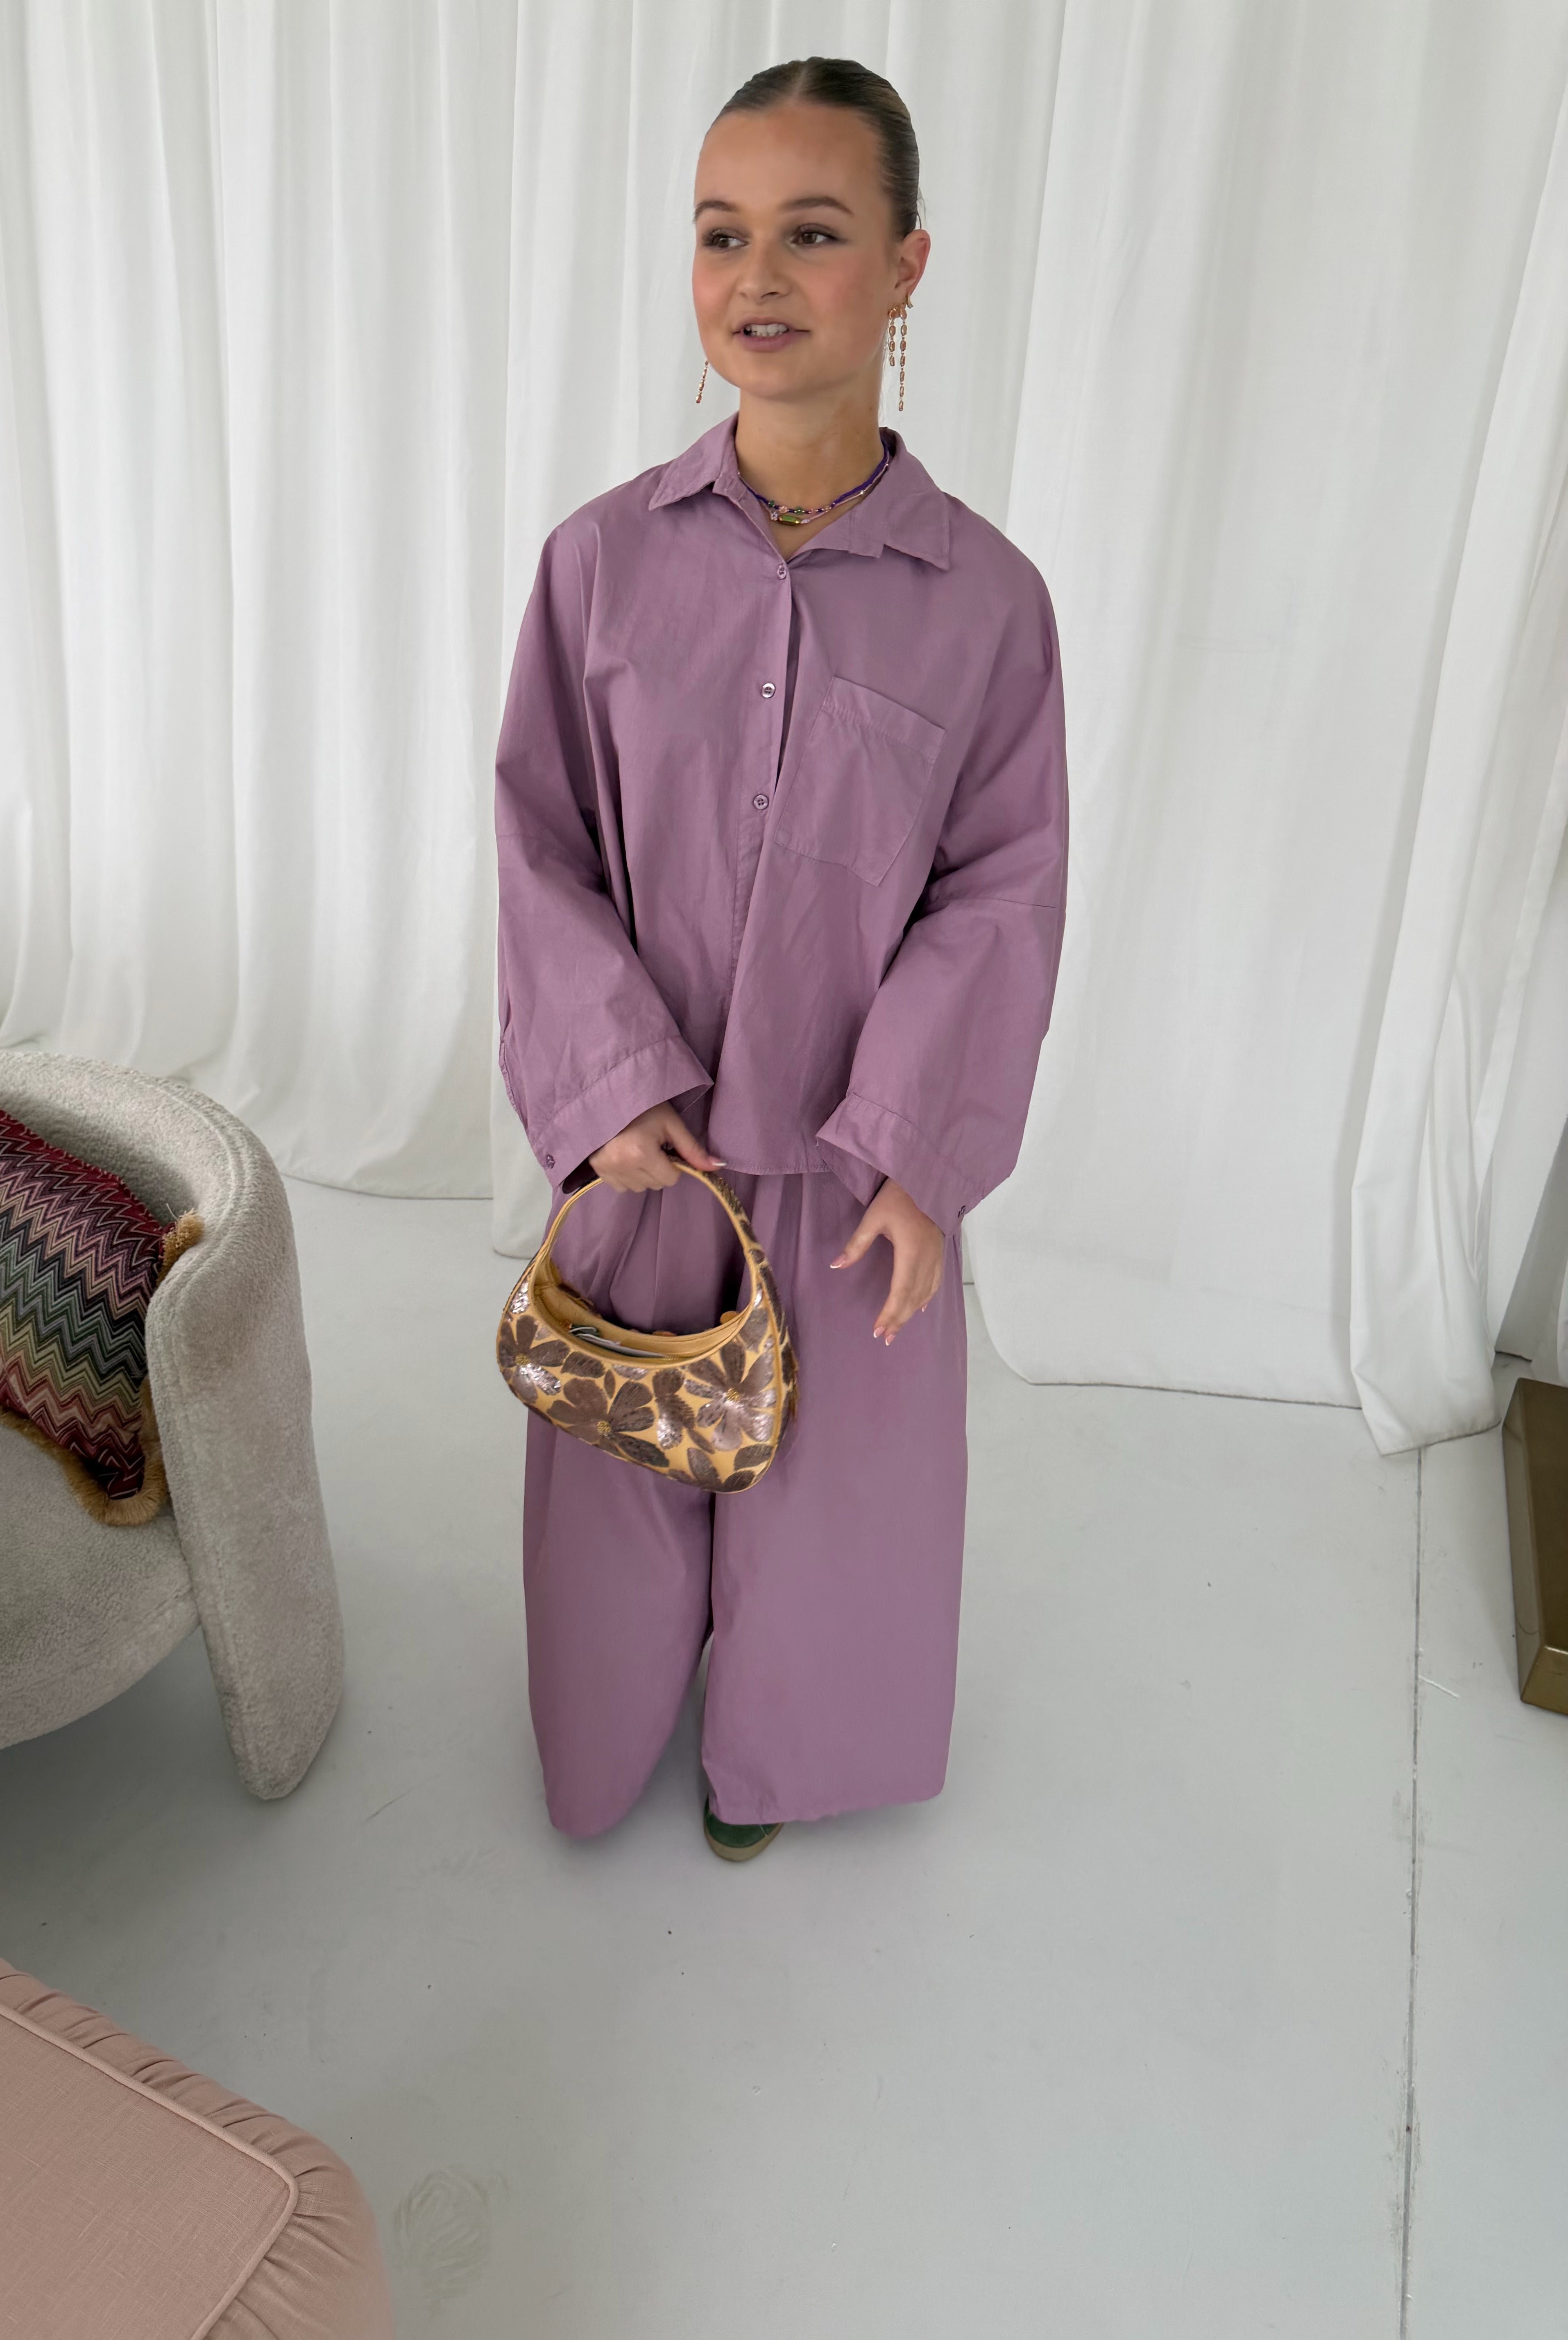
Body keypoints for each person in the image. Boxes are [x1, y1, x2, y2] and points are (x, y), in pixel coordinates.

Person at [493, 56, 1068, 1861]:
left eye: (812, 234)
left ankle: (781, 1760)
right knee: (622, 1456)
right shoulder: (599, 564)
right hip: (650, 1143)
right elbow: (538, 839)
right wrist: (605, 1093)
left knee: (836, 1496)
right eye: (721, 233)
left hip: (844, 1168)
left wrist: (914, 1152)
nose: (757, 276)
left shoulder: (987, 604)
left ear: (904, 268)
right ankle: (608, 1738)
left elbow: (1000, 888)